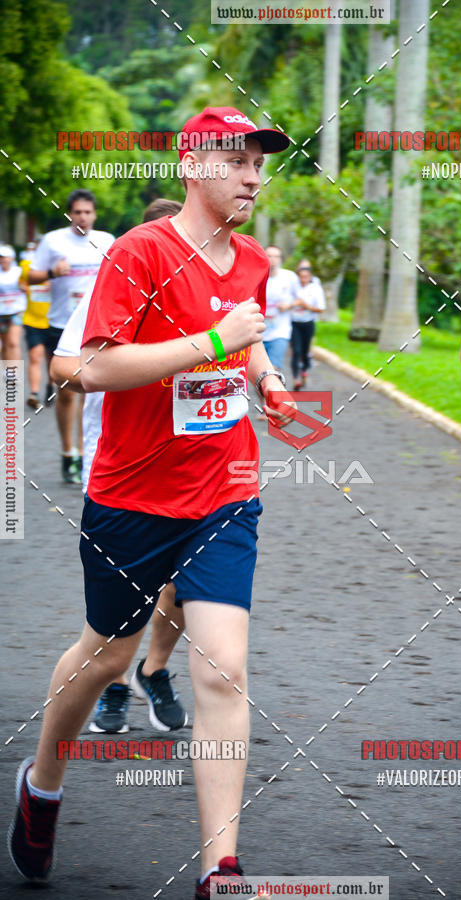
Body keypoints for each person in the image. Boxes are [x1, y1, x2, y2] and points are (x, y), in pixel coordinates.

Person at [8, 106, 296, 898]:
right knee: (107, 658)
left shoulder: (252, 262)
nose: (252, 174)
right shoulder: (140, 252)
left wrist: (263, 375)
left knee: (224, 669)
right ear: (195, 166)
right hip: (132, 495)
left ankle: (220, 869)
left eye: (259, 162)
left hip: (225, 487)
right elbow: (85, 369)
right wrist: (212, 345)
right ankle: (43, 782)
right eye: (236, 160)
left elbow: (247, 331)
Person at [51, 198, 188, 735]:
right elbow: (66, 364)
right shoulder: (116, 281)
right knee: (125, 601)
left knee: (185, 587)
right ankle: (112, 683)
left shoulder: (202, 294)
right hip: (121, 473)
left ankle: (153, 670)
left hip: (191, 473)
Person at [28, 189, 114, 483]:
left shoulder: (106, 241)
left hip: (94, 326)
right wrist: (53, 272)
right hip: (60, 324)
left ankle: (85, 454)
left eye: (88, 212)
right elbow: (31, 277)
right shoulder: (53, 241)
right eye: (77, 212)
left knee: (88, 389)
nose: (83, 217)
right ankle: (69, 453)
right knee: (66, 392)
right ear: (69, 214)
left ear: (95, 214)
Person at [20, 240, 53, 410]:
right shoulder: (27, 265)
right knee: (35, 356)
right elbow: (21, 281)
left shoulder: (58, 265)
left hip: (53, 320)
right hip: (32, 319)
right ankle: (33, 394)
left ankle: (50, 385)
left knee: (51, 361)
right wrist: (26, 287)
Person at [262, 245, 299, 372]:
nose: (273, 259)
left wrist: (289, 305)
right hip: (258, 333)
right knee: (260, 373)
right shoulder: (256, 276)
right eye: (269, 256)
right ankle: (265, 392)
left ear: (280, 259)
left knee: (273, 369)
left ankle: (271, 391)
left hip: (280, 332)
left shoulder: (289, 277)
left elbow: (301, 299)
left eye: (276, 256)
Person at [290, 261, 325, 390]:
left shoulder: (315, 288)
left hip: (308, 323)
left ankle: (304, 371)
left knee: (305, 352)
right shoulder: (293, 287)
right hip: (294, 323)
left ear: (310, 277)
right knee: (296, 351)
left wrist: (306, 306)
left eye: (306, 277)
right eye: (301, 277)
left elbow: (320, 309)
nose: (303, 279)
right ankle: (295, 379)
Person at [0, 245, 27, 361]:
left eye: (5, 257)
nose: (3, 260)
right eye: (1, 258)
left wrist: (24, 287)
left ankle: (15, 377)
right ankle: (6, 375)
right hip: (1, 313)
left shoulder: (19, 272)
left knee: (13, 343)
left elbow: (29, 287)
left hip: (16, 311)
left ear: (11, 258)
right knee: (4, 345)